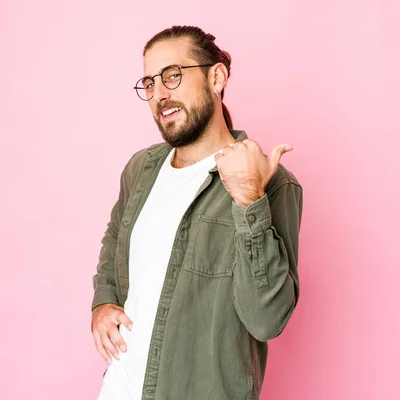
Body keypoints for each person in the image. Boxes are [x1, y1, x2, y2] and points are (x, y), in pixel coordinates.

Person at [91, 25, 303, 400]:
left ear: (216, 77)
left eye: (173, 75)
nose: (160, 94)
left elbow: (267, 319)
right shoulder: (141, 169)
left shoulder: (271, 183)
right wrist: (104, 302)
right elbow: (115, 238)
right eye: (150, 83)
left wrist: (248, 197)